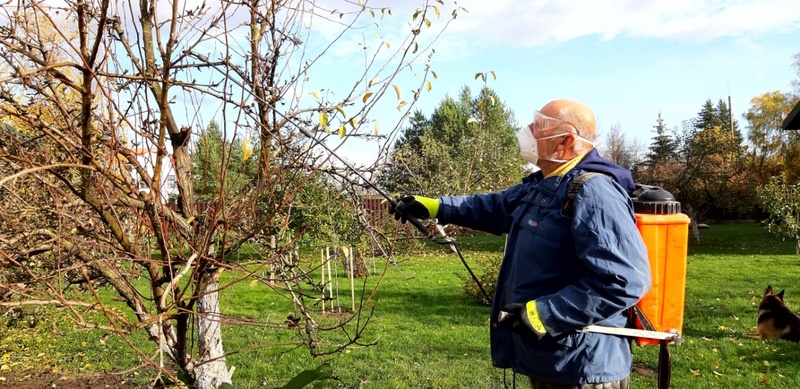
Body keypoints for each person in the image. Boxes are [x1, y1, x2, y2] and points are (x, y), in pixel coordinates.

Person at [390, 99, 652, 388]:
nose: (527, 130)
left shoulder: (594, 191)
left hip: (582, 368)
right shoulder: (544, 185)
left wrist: (544, 314)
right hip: (552, 359)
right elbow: (492, 206)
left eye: (538, 126)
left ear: (566, 140)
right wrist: (434, 206)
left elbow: (625, 280)